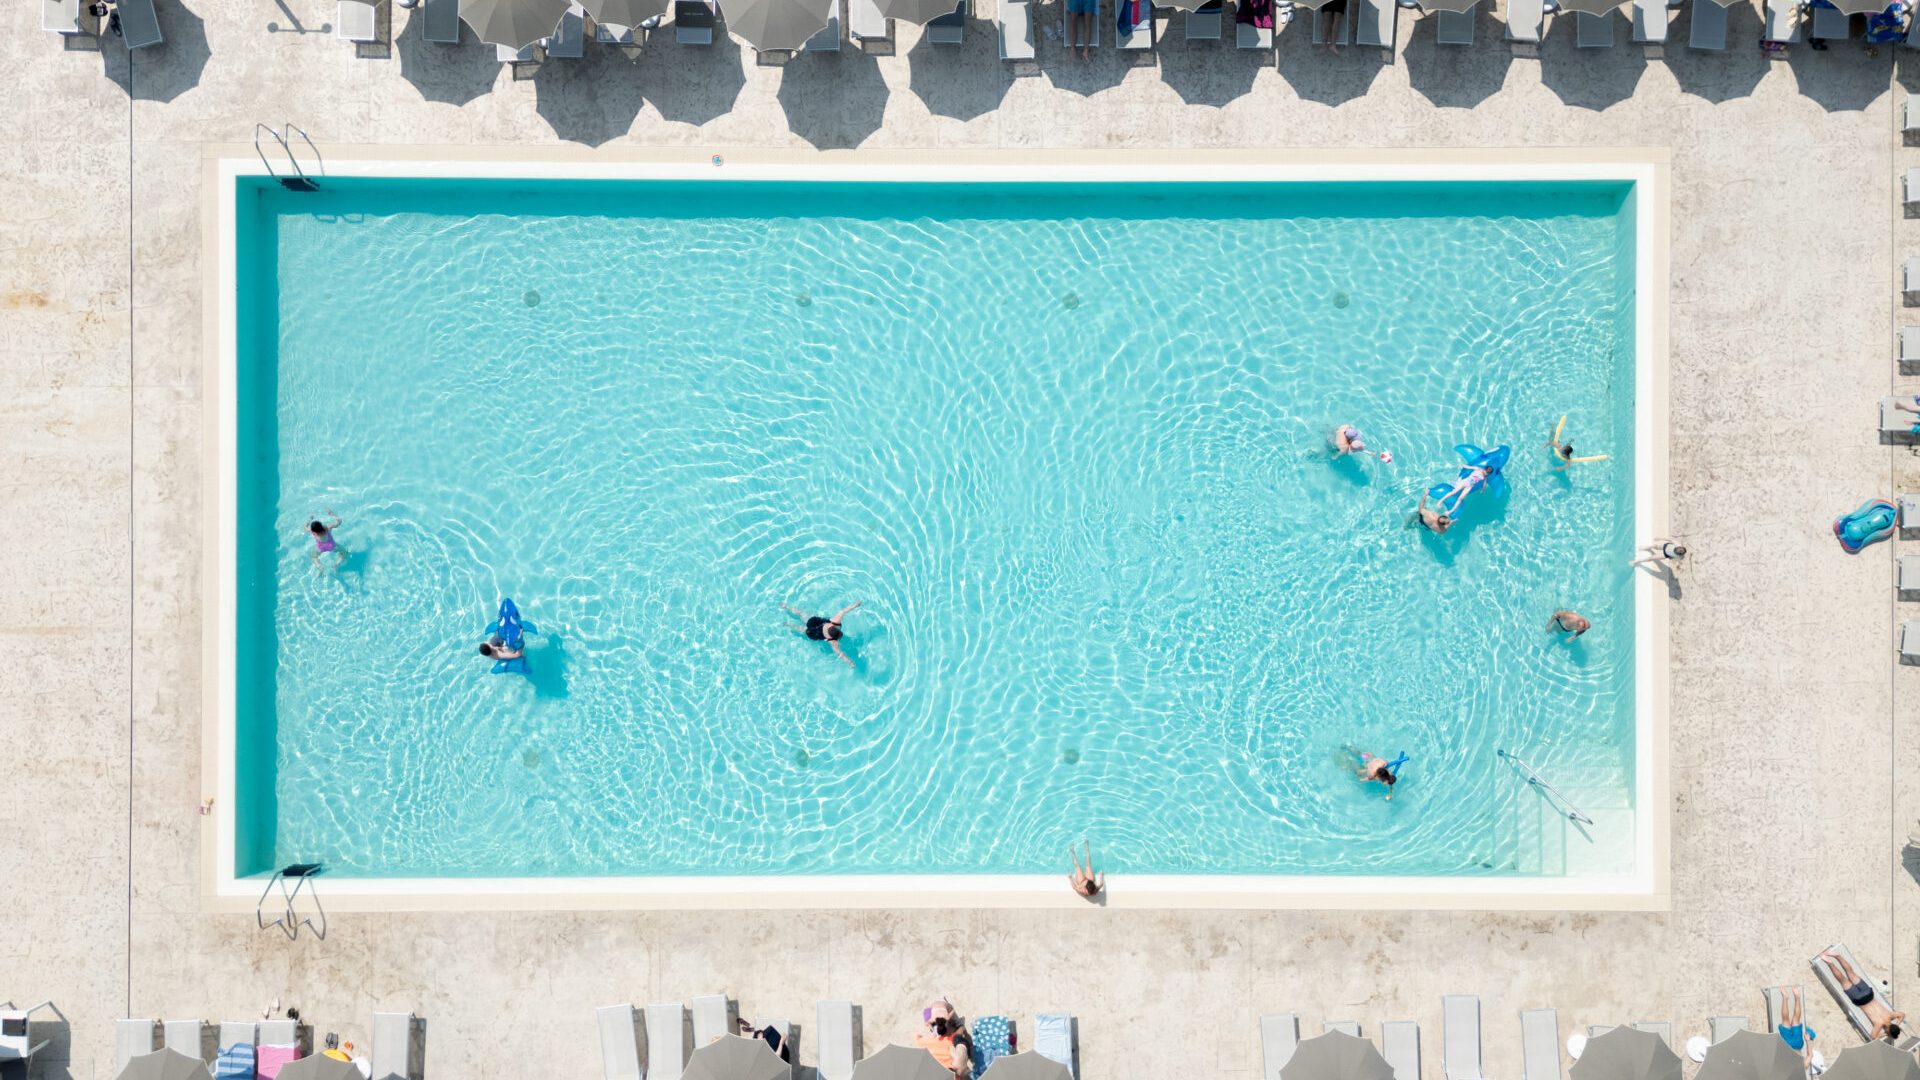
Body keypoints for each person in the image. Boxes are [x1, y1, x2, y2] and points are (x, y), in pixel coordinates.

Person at [1819, 950, 1905, 1042]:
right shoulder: (1878, 1025)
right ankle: (1830, 963)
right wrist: (1885, 1033)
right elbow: (1873, 1037)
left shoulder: (1890, 1015)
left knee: (1850, 972)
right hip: (1859, 999)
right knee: (1842, 980)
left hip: (1868, 993)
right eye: (1888, 1033)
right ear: (1888, 1031)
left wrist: (1897, 1026)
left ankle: (1838, 956)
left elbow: (1902, 1015)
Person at [784, 601, 861, 668]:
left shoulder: (835, 622)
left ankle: (786, 607)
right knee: (802, 629)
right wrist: (850, 662)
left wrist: (855, 605)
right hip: (814, 633)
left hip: (815, 622)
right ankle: (788, 624)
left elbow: (843, 611)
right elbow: (840, 653)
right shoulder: (833, 641)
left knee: (802, 614)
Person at [1774, 985, 1816, 1065]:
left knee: (1796, 1019)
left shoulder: (1803, 1068)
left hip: (1797, 1044)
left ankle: (1797, 997)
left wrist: (1808, 1040)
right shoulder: (1786, 1070)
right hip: (1787, 1045)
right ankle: (1785, 998)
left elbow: (1810, 1055)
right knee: (1785, 1020)